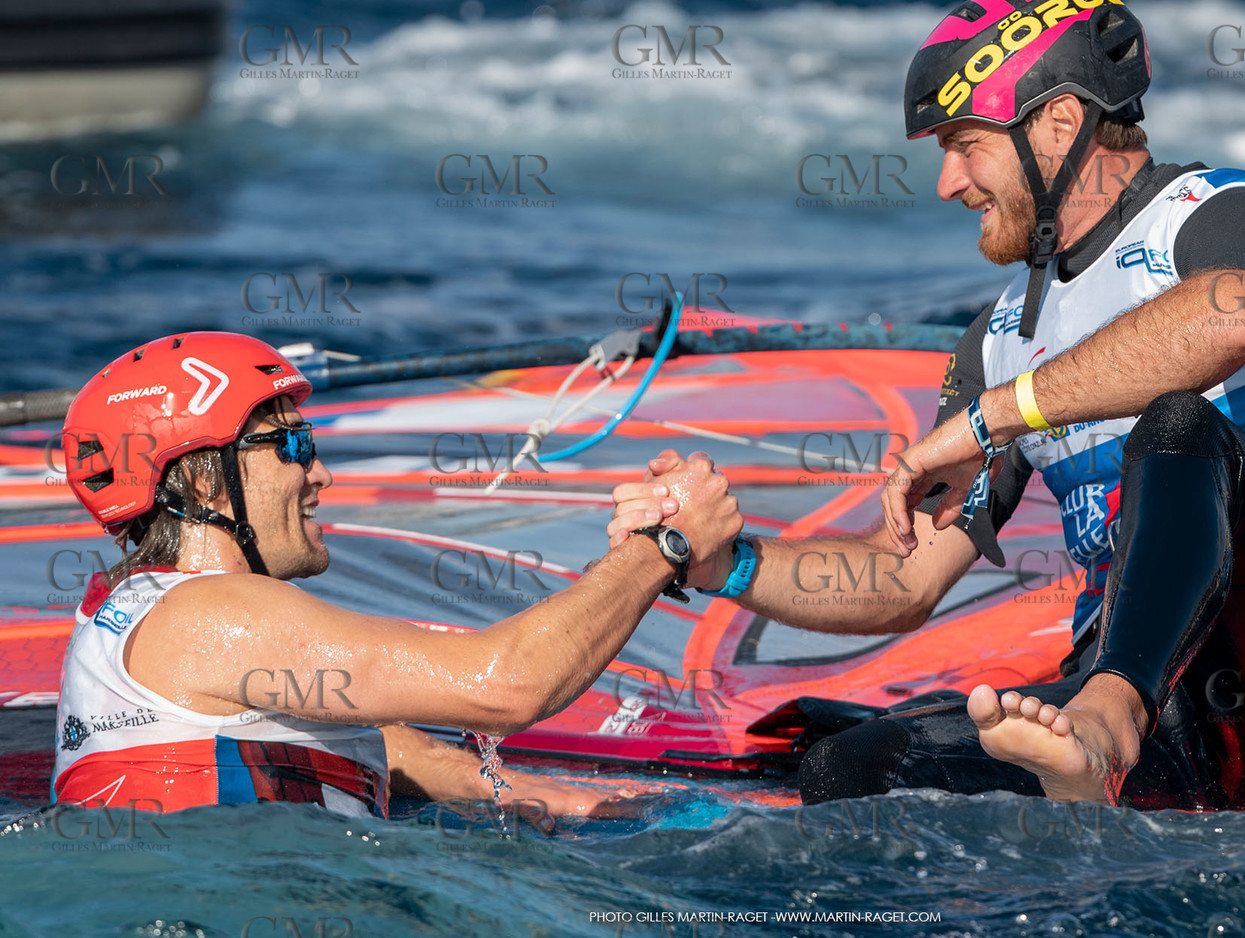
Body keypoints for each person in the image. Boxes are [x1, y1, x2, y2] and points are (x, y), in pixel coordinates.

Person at [610, 0, 1245, 810]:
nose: (947, 182)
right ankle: (1105, 735)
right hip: (1172, 720)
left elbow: (1233, 318)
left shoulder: (1230, 213)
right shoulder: (999, 339)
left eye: (965, 146)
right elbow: (906, 581)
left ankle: (1112, 713)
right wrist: (716, 561)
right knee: (851, 764)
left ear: (1058, 122)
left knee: (1177, 426)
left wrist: (996, 417)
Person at [54, 331, 741, 819]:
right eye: (293, 444)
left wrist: (524, 790)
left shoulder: (145, 612)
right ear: (203, 483)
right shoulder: (209, 616)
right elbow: (507, 685)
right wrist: (665, 545)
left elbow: (339, 725)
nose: (318, 472)